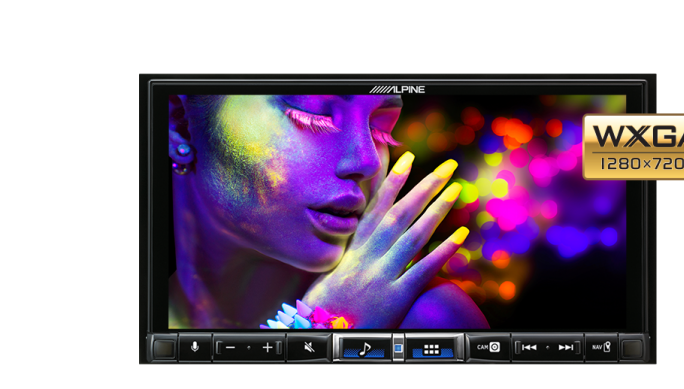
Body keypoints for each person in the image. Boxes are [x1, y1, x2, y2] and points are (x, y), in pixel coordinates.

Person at [167, 94, 489, 329]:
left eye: (382, 129)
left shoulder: (430, 318)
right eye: (312, 115)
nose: (368, 161)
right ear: (179, 124)